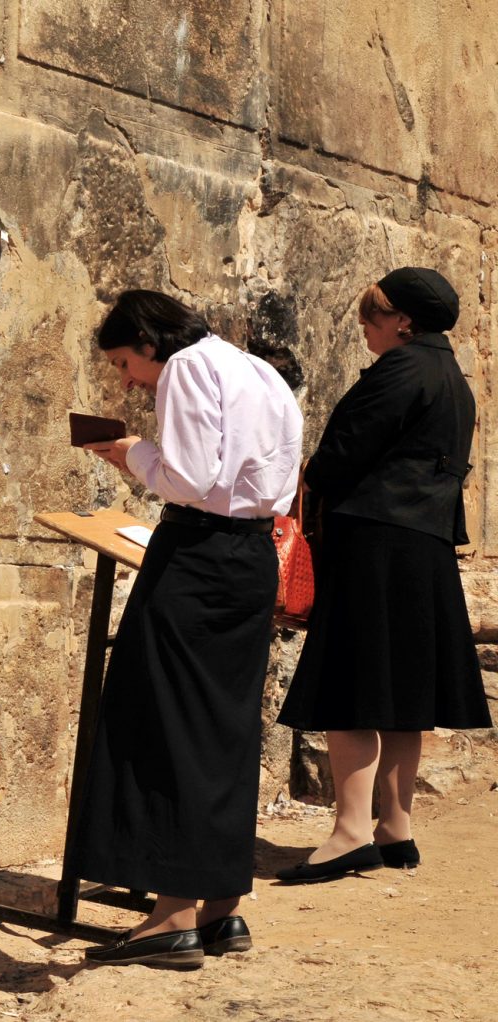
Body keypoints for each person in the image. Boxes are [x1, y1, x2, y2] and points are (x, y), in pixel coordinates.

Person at [70, 289, 303, 968]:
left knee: (166, 722)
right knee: (223, 728)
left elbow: (190, 478)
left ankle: (170, 917)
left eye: (124, 362)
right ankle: (220, 909)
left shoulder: (186, 368)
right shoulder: (257, 370)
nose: (127, 380)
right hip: (251, 555)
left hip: (198, 556)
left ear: (149, 342)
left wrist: (132, 452)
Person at [275, 267, 491, 883]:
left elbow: (344, 455)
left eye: (373, 316)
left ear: (403, 322)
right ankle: (396, 827)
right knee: (402, 691)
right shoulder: (453, 379)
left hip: (375, 542)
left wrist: (310, 477)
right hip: (423, 545)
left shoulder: (399, 370)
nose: (365, 327)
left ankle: (350, 832)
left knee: (353, 683)